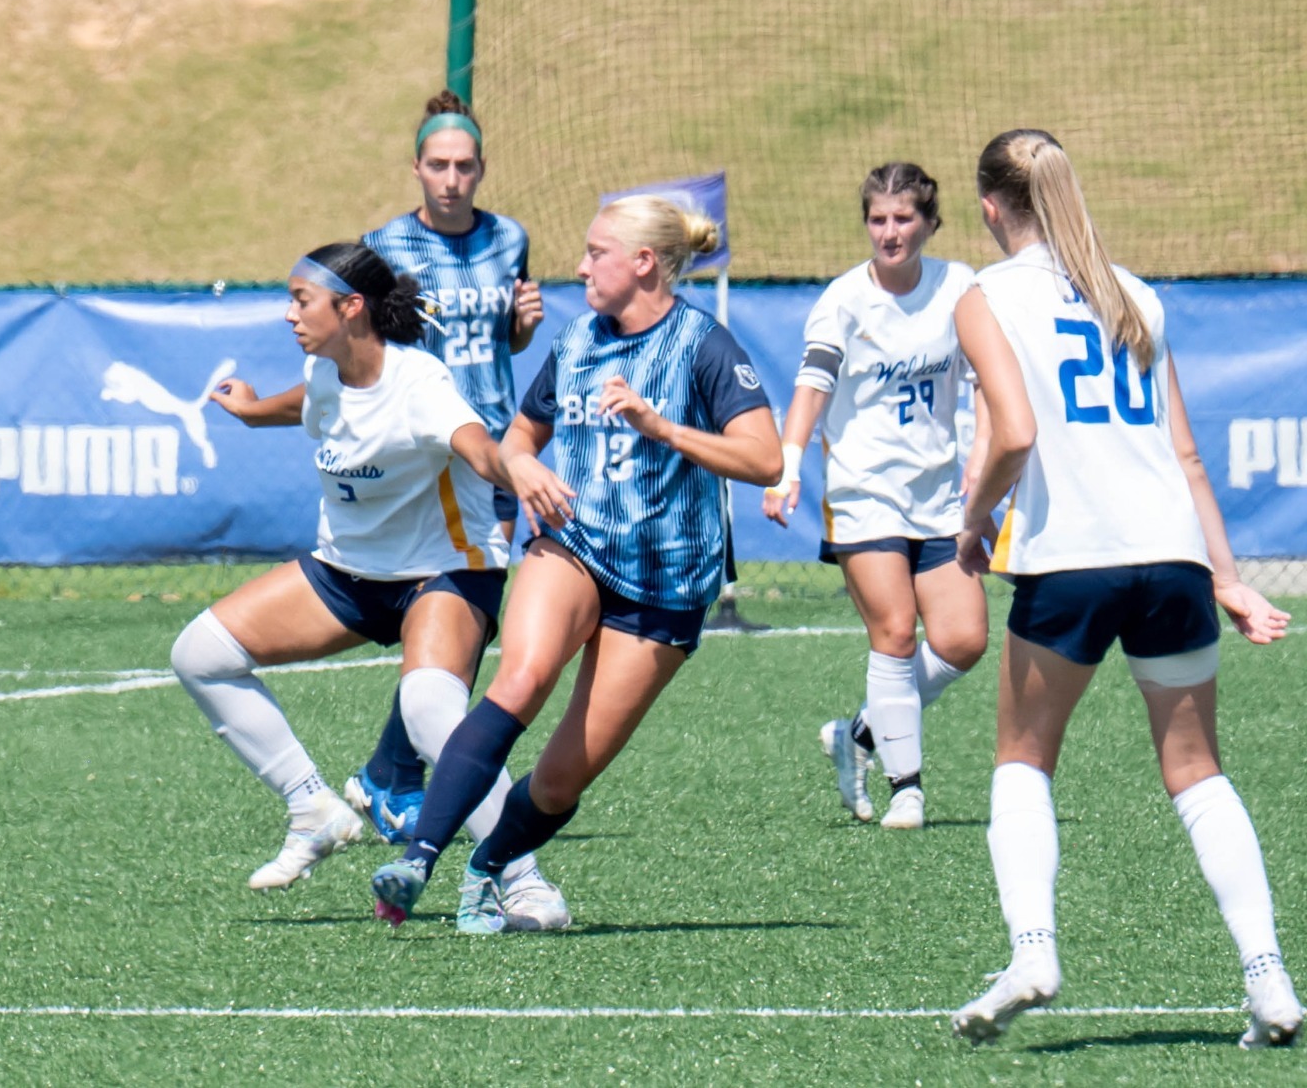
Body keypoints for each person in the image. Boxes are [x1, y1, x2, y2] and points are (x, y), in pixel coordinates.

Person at [944, 129, 1298, 1047]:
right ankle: (1269, 979)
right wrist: (1227, 580)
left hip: (1074, 558)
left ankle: (1032, 951)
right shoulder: (1131, 290)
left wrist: (974, 521)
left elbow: (1012, 434)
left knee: (1023, 761)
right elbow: (1185, 456)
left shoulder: (984, 296)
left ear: (990, 206)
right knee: (1198, 772)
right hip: (1171, 557)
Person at [367, 195, 781, 932]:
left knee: (559, 782)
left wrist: (661, 426)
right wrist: (521, 468)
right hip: (575, 546)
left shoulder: (704, 345)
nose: (581, 266)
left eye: (597, 253)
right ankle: (417, 858)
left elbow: (763, 457)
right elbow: (520, 438)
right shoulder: (579, 340)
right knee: (520, 678)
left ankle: (487, 866)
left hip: (665, 586)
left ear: (644, 263)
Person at [178, 242, 568, 930]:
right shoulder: (325, 370)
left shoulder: (420, 384)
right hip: (348, 574)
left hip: (444, 574)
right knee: (199, 654)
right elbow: (311, 402)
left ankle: (525, 879)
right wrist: (252, 409)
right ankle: (314, 809)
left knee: (427, 708)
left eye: (302, 299)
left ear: (350, 307)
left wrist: (518, 470)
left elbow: (475, 443)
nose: (289, 312)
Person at [343, 89, 545, 845]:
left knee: (471, 616)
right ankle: (394, 774)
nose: (451, 179)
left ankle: (390, 772)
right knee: (459, 609)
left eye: (464, 166)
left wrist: (522, 329)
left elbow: (505, 344)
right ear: (416, 168)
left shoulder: (509, 238)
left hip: (493, 448)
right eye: (437, 165)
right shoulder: (385, 247)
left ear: (482, 168)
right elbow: (366, 346)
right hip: (428, 451)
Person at [763, 163, 988, 831]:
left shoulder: (961, 286)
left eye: (903, 218)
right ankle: (906, 787)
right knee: (894, 631)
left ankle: (860, 732)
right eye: (878, 219)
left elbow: (985, 384)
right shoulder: (842, 300)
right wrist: (789, 465)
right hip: (864, 494)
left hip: (941, 495)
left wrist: (983, 473)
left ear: (929, 222)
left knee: (964, 639)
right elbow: (813, 383)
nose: (890, 232)